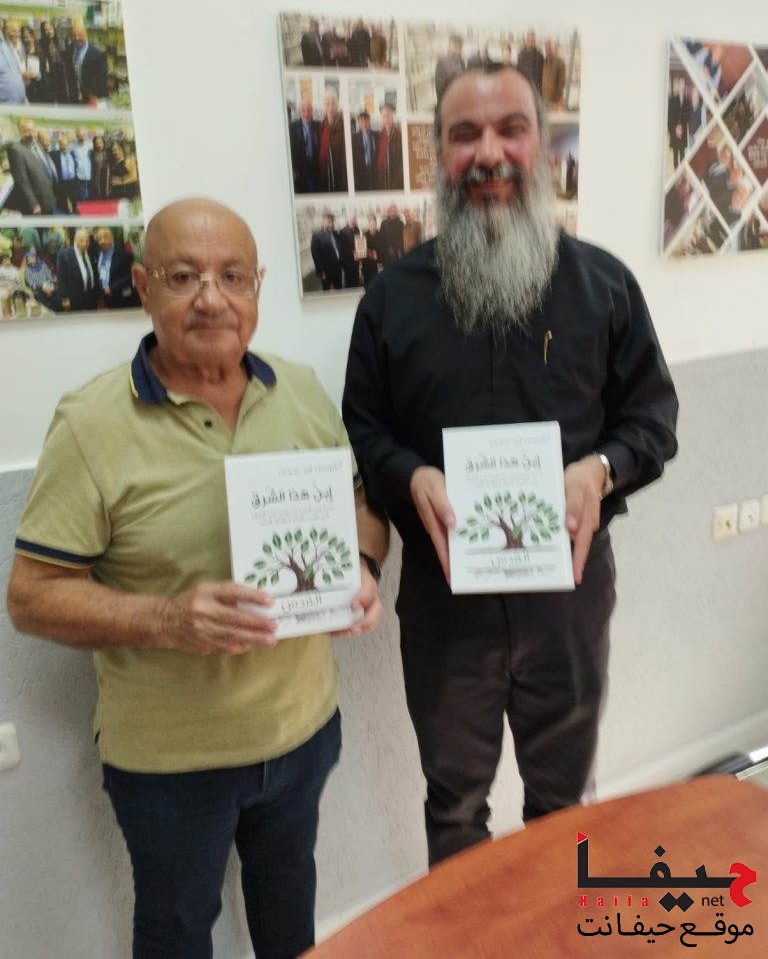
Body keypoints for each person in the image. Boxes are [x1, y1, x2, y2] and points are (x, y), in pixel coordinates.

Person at [7, 197, 388, 959]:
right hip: (172, 764)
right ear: (144, 287)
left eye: (233, 276)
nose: (212, 298)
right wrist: (167, 619)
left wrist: (363, 565)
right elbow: (30, 596)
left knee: (290, 911)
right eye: (184, 276)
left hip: (302, 730)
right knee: (177, 929)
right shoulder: (90, 422)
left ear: (258, 288)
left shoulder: (301, 391)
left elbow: (359, 504)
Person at [342, 64, 678, 867]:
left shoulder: (604, 286)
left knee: (564, 802)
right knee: (454, 803)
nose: (489, 152)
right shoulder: (391, 298)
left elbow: (653, 420)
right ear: (440, 153)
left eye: (510, 129)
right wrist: (409, 474)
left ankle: (561, 926)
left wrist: (600, 467)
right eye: (465, 134)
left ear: (543, 144)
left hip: (569, 595)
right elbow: (366, 426)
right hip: (444, 600)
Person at [6, 118, 57, 215]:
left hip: (49, 197)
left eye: (33, 130)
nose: (32, 134)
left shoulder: (38, 146)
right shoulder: (16, 150)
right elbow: (21, 181)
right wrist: (33, 204)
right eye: (27, 131)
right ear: (20, 132)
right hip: (38, 204)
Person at [65, 19, 108, 105]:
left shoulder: (97, 53)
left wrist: (95, 95)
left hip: (91, 97)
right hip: (74, 97)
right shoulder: (69, 49)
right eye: (74, 35)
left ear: (86, 34)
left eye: (80, 35)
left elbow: (101, 79)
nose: (77, 38)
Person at [94, 226, 140, 308]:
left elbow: (128, 278)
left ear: (111, 237)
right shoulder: (97, 252)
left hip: (121, 298)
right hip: (105, 298)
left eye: (105, 237)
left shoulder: (124, 255)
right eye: (99, 238)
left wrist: (112, 288)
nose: (102, 241)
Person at [56, 227, 98, 311]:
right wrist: (65, 298)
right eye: (82, 240)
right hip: (75, 298)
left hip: (91, 295)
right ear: (75, 240)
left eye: (87, 241)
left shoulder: (90, 251)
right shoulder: (64, 255)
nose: (85, 244)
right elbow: (61, 279)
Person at [317, 88, 347, 193]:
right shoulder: (322, 125)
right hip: (324, 172)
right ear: (324, 106)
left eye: (333, 103)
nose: (330, 107)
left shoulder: (343, 125)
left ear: (337, 105)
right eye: (327, 104)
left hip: (337, 174)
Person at [289, 99, 320, 194]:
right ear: (299, 112)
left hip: (315, 170)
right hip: (300, 172)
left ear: (312, 112)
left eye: (309, 110)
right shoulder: (292, 127)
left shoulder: (318, 125)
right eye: (303, 110)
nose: (306, 114)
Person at [310, 211, 343, 291]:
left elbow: (339, 250)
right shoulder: (317, 236)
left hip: (337, 271)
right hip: (327, 273)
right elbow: (316, 256)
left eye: (332, 222)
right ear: (323, 222)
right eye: (328, 222)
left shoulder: (335, 234)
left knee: (339, 291)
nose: (331, 224)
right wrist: (321, 273)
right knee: (329, 293)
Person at [375, 102, 404, 190]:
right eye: (383, 116)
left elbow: (402, 161)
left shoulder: (399, 136)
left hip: (395, 181)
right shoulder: (379, 136)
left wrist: (398, 180)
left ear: (393, 116)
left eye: (388, 116)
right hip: (381, 179)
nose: (386, 119)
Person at [51, 134, 78, 214]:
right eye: (62, 145)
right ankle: (67, 212)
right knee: (64, 201)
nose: (64, 147)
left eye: (66, 145)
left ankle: (74, 211)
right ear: (59, 145)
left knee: (73, 199)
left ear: (68, 145)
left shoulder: (72, 154)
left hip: (72, 180)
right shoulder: (54, 155)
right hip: (62, 181)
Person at [667, 75, 689, 170]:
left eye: (683, 84)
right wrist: (675, 128)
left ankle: (682, 171)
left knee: (682, 153)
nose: (681, 86)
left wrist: (681, 127)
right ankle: (676, 171)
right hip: (674, 130)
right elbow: (670, 116)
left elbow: (687, 116)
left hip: (683, 131)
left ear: (684, 86)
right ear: (677, 85)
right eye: (680, 83)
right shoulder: (671, 100)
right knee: (675, 153)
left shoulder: (687, 101)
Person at [351, 110, 377, 191]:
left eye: (366, 120)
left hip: (374, 170)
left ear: (369, 121)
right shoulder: (354, 138)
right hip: (360, 171)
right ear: (359, 123)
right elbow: (353, 157)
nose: (364, 123)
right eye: (361, 121)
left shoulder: (376, 135)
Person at [434, 34, 465, 101]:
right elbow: (439, 89)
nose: (457, 51)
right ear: (449, 47)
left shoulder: (462, 62)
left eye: (459, 48)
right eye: (455, 47)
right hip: (449, 101)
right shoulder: (442, 62)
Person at [517, 29, 544, 94]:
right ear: (526, 40)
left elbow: (540, 76)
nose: (530, 41)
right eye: (528, 39)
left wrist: (540, 92)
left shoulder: (539, 55)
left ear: (535, 41)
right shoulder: (521, 54)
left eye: (532, 39)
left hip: (533, 89)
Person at [541, 38, 566, 109]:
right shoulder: (544, 62)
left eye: (549, 48)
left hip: (555, 100)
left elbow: (562, 82)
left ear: (554, 48)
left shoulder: (560, 62)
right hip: (544, 99)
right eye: (546, 48)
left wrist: (557, 97)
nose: (547, 50)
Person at [88, 134, 110, 199]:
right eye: (97, 143)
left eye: (100, 143)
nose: (99, 145)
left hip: (108, 181)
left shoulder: (109, 152)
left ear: (103, 143)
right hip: (97, 182)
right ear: (94, 145)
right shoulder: (92, 154)